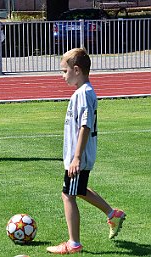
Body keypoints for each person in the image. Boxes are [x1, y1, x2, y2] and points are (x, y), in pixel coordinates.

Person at [46, 48, 126, 254]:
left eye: (64, 71)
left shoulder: (84, 94)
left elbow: (85, 126)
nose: (62, 75)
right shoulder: (82, 93)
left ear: (77, 70)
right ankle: (112, 214)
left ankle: (74, 243)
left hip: (79, 157)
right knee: (78, 190)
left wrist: (76, 157)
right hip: (78, 157)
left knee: (68, 195)